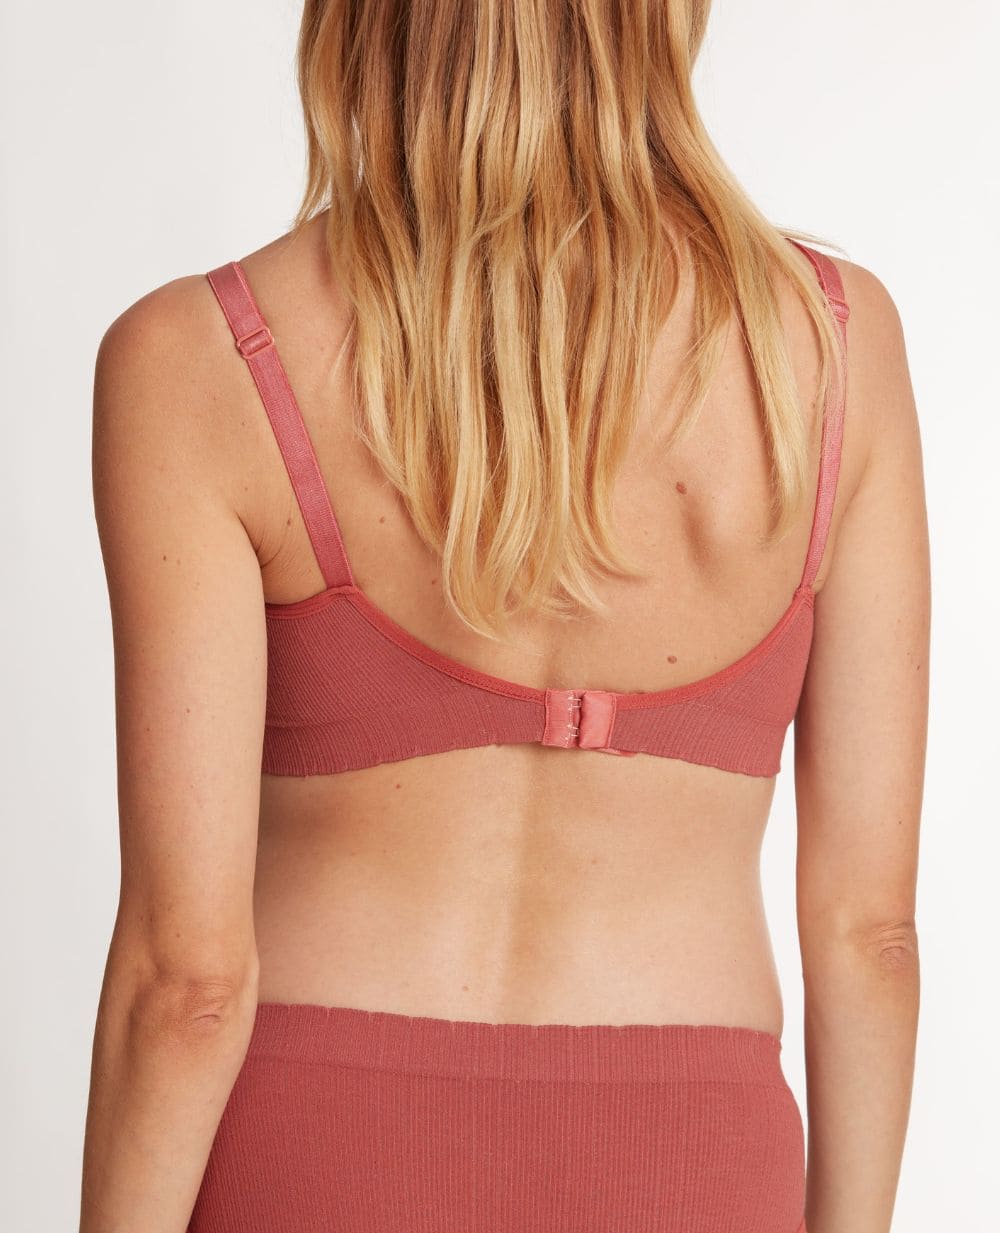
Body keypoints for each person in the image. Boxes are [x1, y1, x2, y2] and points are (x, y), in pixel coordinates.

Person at [80, 3, 929, 1231]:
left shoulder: (202, 357)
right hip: (691, 1163)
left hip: (314, 1159)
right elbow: (869, 936)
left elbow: (187, 985)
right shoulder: (833, 351)